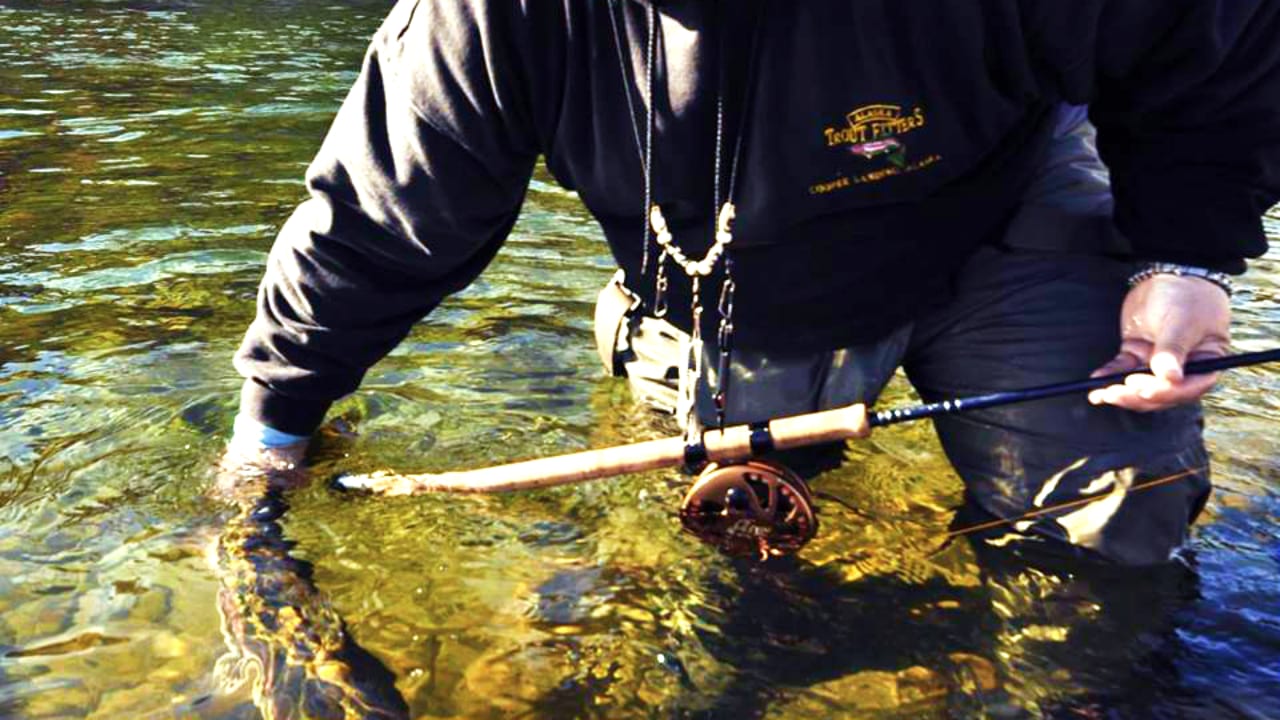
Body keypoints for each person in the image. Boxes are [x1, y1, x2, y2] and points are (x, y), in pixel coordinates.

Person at [224, 0, 1280, 567]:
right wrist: (272, 429)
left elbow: (1214, 51)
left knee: (1111, 523)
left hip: (1005, 215)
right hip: (734, 278)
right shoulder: (485, 17)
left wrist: (1184, 260)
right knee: (735, 557)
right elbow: (376, 223)